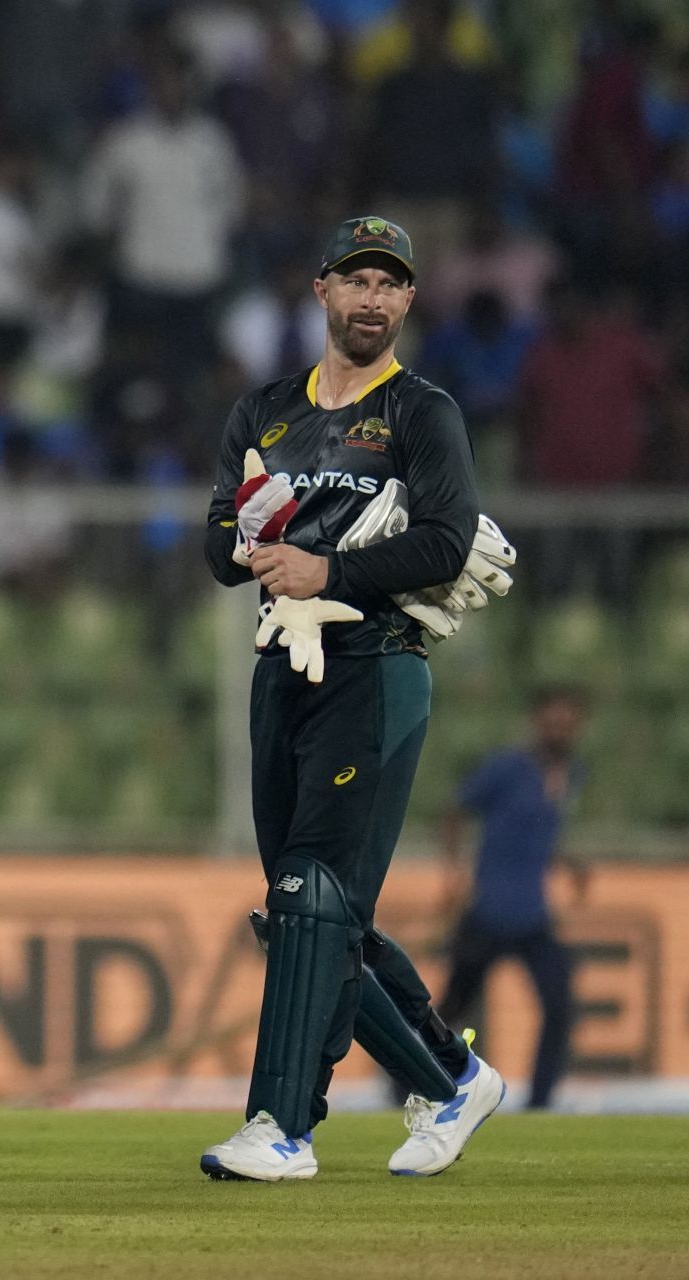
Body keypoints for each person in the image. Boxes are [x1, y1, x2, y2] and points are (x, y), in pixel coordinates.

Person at [198, 216, 505, 1182]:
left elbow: (450, 541)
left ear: (409, 302)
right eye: (356, 280)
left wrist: (325, 562)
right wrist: (246, 536)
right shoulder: (265, 411)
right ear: (321, 290)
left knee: (309, 894)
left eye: (392, 284)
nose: (373, 299)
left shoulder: (422, 411)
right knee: (312, 916)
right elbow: (216, 551)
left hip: (375, 663)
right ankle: (452, 1078)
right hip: (279, 668)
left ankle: (282, 1126)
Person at [438, 687, 590, 1109]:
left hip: (532, 915)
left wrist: (567, 861)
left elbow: (537, 830)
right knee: (451, 1007)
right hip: (489, 911)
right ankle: (406, 1082)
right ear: (536, 722)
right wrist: (453, 876)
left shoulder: (571, 773)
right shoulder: (507, 768)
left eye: (567, 723)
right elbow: (455, 811)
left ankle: (540, 1102)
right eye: (552, 721)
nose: (559, 730)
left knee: (559, 1005)